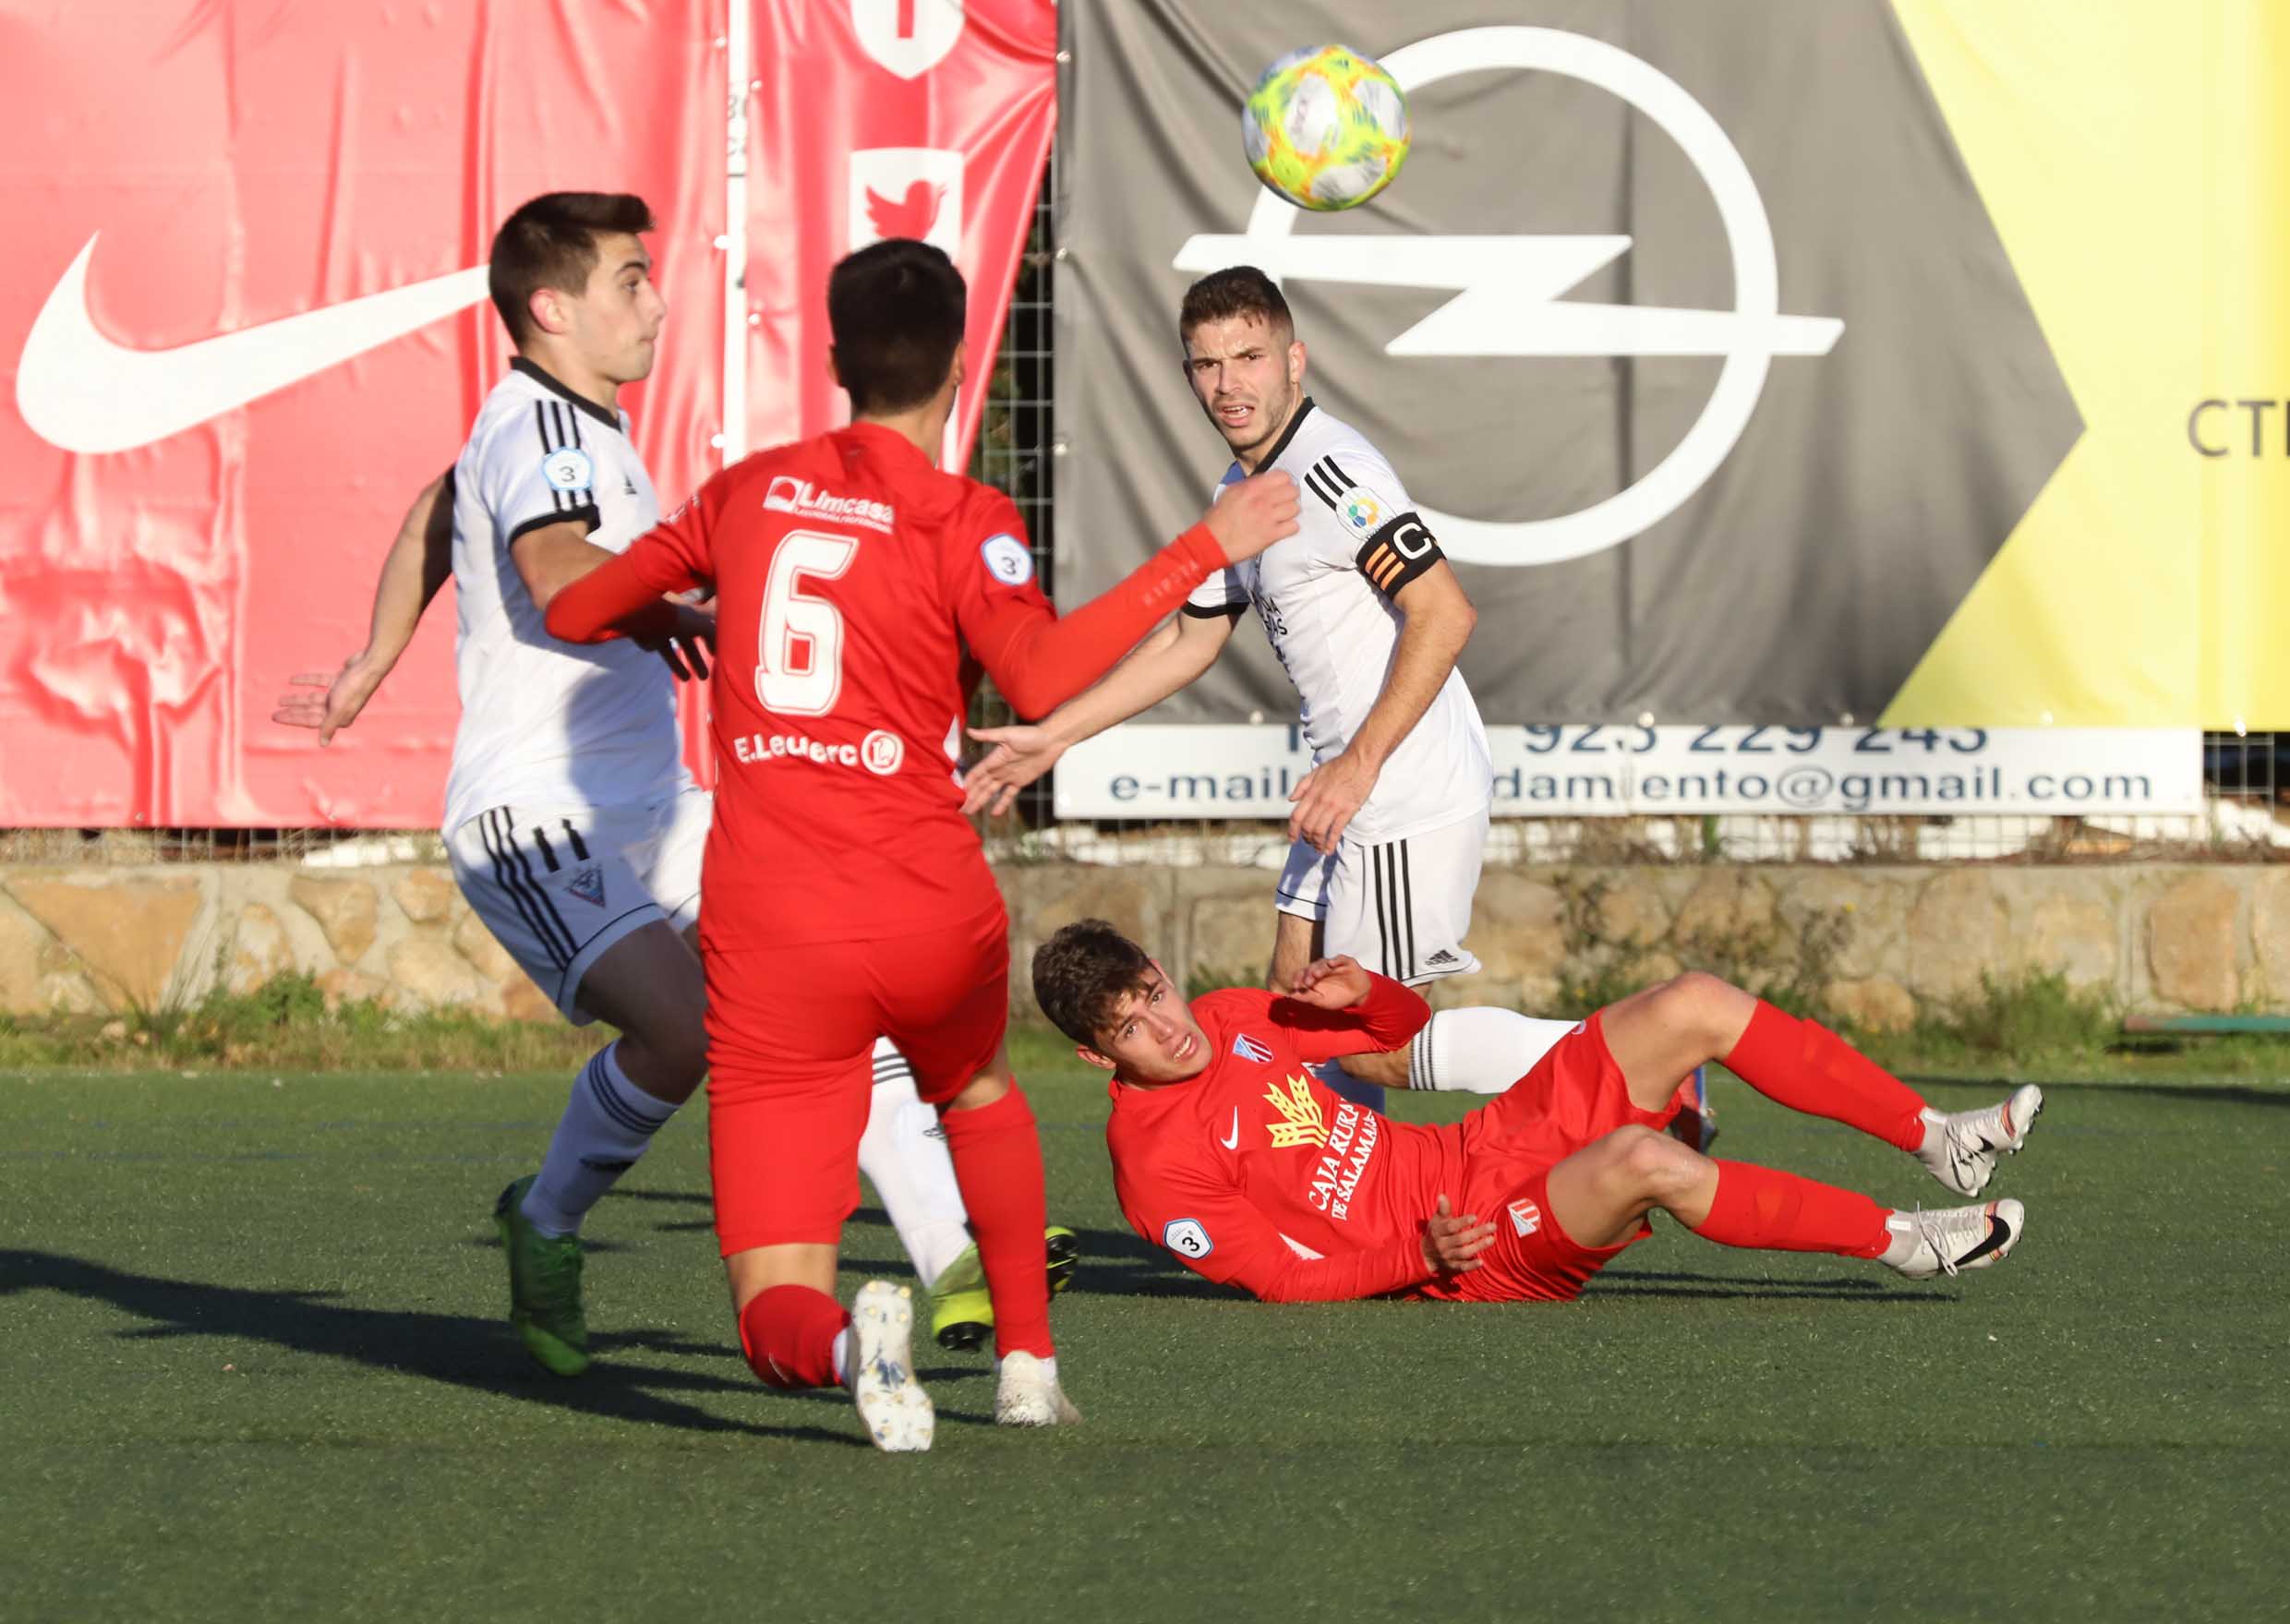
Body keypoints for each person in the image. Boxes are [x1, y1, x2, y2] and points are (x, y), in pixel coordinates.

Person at [540, 238, 1300, 1449]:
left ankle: (852, 1351)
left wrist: (678, 606)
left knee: (772, 1304)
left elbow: (573, 606)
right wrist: (1206, 544)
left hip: (774, 930)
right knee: (978, 1093)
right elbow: (1042, 670)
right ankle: (1028, 1367)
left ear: (835, 360)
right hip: (924, 907)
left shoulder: (747, 492)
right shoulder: (963, 513)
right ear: (963, 370)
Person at [277, 193, 1024, 1377]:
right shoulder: (546, 434)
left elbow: (437, 505)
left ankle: (952, 1259)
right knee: (685, 1028)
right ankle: (544, 1219)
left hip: (661, 801)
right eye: (631, 279)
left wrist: (374, 657)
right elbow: (557, 563)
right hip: (536, 813)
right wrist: (671, 601)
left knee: (829, 968)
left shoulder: (545, 422)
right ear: (550, 306)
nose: (658, 301)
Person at [964, 265, 1599, 1122]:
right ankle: (1335, 1213)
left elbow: (1444, 612)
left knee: (1372, 1050)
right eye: (1207, 364)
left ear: (1295, 360)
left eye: (1249, 357)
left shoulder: (1332, 471)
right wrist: (1055, 734)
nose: (1229, 384)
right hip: (1341, 794)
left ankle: (1634, 1056)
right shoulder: (1244, 492)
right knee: (1291, 1004)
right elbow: (1191, 639)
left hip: (1400, 790)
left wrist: (1359, 767)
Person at [1033, 918, 2043, 1305]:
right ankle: (1911, 1241)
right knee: (1649, 1155)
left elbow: (1407, 1024)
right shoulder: (1151, 1165)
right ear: (1095, 1053)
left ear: (1164, 973)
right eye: (1130, 1027)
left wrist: (1369, 996)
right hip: (1470, 1250)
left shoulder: (1229, 1013)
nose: (1167, 1027)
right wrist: (1420, 1257)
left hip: (1482, 1144)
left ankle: (1940, 1139)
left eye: (1154, 994)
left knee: (1695, 998)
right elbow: (1279, 1280)